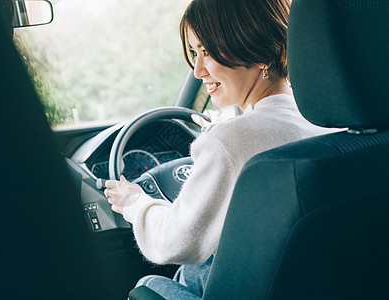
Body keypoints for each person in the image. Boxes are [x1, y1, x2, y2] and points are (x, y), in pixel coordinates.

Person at [104, 0, 337, 298]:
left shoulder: (230, 142)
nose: (199, 70)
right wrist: (226, 132)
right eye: (194, 53)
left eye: (207, 51)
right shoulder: (329, 125)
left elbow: (174, 242)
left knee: (147, 287)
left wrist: (135, 203)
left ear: (257, 50)